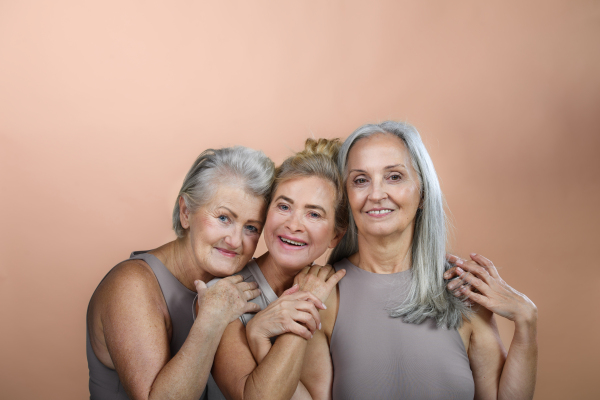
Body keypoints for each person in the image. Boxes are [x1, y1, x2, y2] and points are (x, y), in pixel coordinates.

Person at [304, 121, 538, 399]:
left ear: (423, 192)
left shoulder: (462, 290)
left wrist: (527, 322)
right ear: (347, 198)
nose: (376, 194)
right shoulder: (324, 294)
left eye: (394, 177)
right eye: (360, 180)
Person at [86, 146, 275, 400]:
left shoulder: (235, 287)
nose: (235, 241)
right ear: (186, 212)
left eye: (251, 227)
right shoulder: (130, 285)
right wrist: (211, 320)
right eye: (223, 218)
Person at [211, 138, 348, 400]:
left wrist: (259, 338)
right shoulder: (223, 294)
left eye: (314, 214)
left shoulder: (329, 290)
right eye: (284, 206)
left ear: (336, 236)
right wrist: (302, 305)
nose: (294, 225)